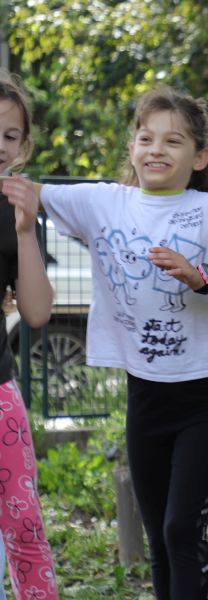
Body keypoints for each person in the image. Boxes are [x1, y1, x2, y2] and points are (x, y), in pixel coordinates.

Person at [9, 85, 208, 598]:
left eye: (173, 141)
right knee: (159, 540)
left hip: (205, 397)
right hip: (144, 397)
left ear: (200, 157)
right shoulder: (103, 202)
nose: (156, 150)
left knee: (181, 531)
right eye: (146, 138)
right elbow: (25, 191)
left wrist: (200, 279)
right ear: (131, 149)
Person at [0, 68, 59, 600]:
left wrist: (23, 232)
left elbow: (37, 312)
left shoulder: (17, 214)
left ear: (23, 146)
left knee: (24, 528)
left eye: (10, 134)